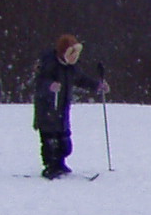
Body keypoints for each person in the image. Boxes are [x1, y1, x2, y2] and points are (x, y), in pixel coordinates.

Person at [32, 34, 105, 179]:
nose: (74, 58)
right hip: (48, 109)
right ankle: (50, 166)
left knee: (64, 140)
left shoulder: (71, 68)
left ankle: (60, 163)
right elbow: (40, 82)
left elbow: (82, 79)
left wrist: (97, 86)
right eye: (71, 54)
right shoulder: (49, 64)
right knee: (50, 139)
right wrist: (50, 86)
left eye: (76, 54)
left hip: (62, 108)